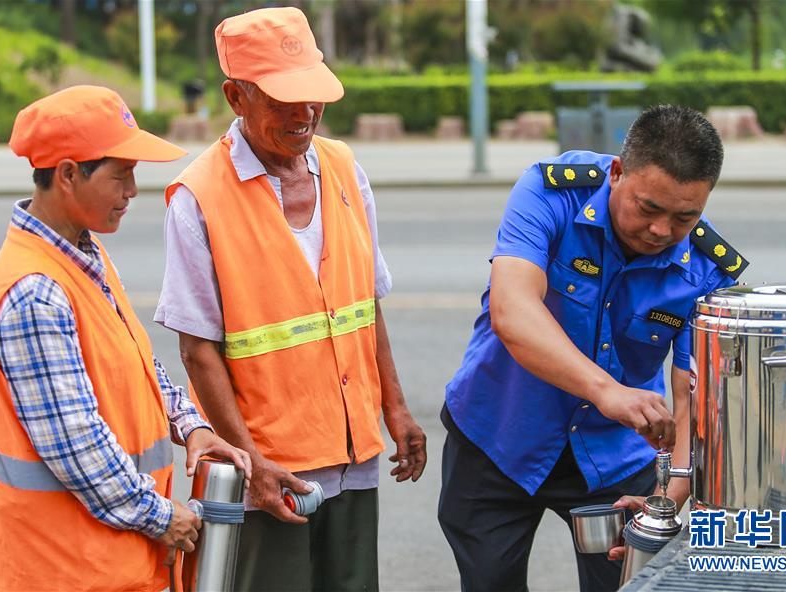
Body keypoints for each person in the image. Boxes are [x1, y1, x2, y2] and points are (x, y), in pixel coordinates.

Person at [154, 7, 426, 591]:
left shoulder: (344, 168)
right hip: (271, 471)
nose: (304, 114)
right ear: (236, 97)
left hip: (353, 459)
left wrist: (396, 408)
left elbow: (365, 305)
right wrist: (250, 464)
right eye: (283, 100)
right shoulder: (198, 196)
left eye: (311, 95)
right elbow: (198, 351)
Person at [438, 105, 747, 592]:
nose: (662, 231)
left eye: (685, 217)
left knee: (626, 584)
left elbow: (694, 401)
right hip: (500, 432)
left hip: (615, 455)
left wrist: (666, 503)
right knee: (489, 581)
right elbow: (512, 310)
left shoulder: (709, 271)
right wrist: (607, 391)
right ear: (617, 173)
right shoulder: (551, 193)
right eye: (648, 208)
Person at [0, 85, 251, 591]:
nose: (132, 191)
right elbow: (76, 443)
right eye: (120, 175)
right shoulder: (35, 292)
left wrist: (190, 425)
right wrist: (161, 516)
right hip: (61, 570)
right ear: (67, 174)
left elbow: (134, 362)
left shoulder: (83, 253)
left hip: (107, 563)